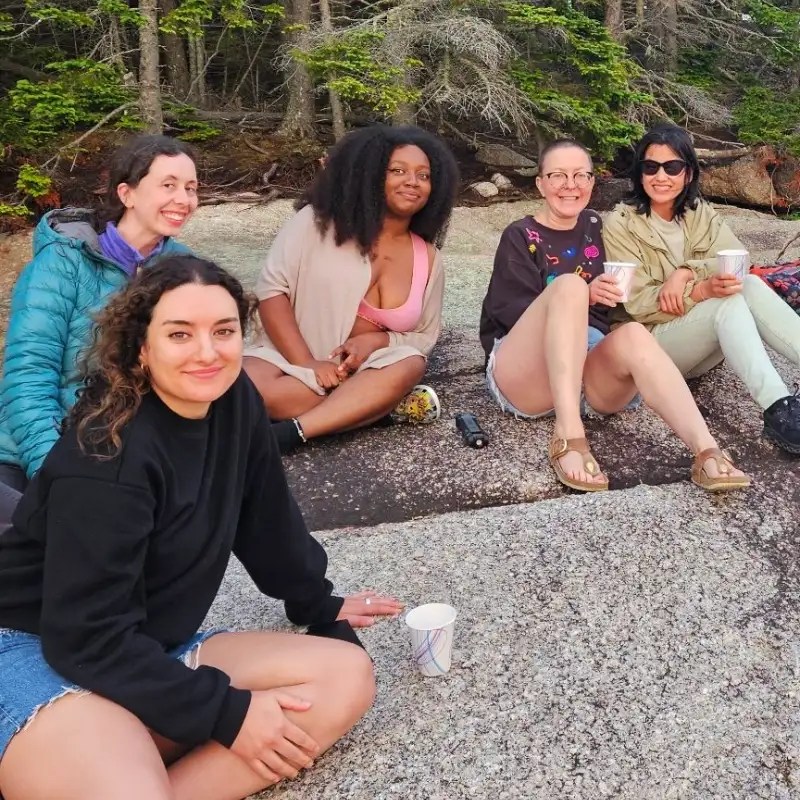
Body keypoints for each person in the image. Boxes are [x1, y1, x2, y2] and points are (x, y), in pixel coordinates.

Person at [0, 255, 401, 800]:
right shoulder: (106, 456)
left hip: (141, 644)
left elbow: (265, 518)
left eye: (223, 331)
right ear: (142, 347)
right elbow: (84, 637)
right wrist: (225, 714)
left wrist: (317, 602)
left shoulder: (234, 400)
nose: (208, 352)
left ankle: (118, 759)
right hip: (34, 649)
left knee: (345, 676)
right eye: (180, 334)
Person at [479, 139, 750, 492]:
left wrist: (682, 275)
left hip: (588, 376)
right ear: (540, 183)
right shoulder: (520, 234)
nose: (570, 185)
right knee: (570, 287)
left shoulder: (594, 224)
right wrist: (580, 294)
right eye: (558, 175)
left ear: (593, 182)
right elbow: (507, 311)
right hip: (526, 375)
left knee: (635, 333)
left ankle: (707, 451)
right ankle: (569, 435)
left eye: (580, 175)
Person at [0, 134, 199, 528]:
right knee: (35, 540)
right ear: (127, 193)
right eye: (169, 185)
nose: (184, 199)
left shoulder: (185, 270)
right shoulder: (63, 261)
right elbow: (28, 373)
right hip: (30, 449)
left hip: (124, 447)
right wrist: (55, 472)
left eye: (191, 188)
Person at [243, 125, 460, 454]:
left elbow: (423, 336)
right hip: (284, 359)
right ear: (370, 175)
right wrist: (309, 364)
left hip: (365, 372)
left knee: (411, 363)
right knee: (245, 387)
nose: (412, 182)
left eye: (424, 175)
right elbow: (272, 292)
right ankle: (368, 409)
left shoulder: (428, 257)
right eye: (397, 171)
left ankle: (292, 434)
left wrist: (375, 340)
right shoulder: (315, 222)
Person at [604, 123, 800, 455]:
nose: (661, 176)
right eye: (650, 167)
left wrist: (686, 272)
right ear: (639, 174)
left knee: (748, 283)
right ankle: (778, 408)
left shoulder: (698, 213)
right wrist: (699, 291)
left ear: (689, 173)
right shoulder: (620, 224)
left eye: (673, 166)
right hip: (654, 347)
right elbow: (637, 304)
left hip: (703, 347)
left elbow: (738, 259)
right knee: (727, 302)